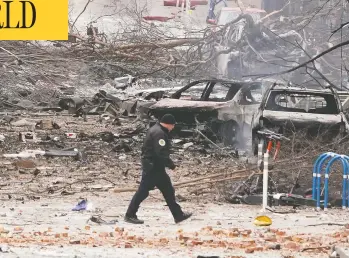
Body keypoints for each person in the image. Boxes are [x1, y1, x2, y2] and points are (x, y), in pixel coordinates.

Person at [125, 114, 192, 224]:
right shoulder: (159, 133)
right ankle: (130, 214)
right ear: (169, 124)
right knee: (142, 192)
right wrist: (171, 165)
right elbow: (161, 153)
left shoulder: (156, 129)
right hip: (153, 167)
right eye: (173, 125)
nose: (173, 128)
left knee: (168, 191)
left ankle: (178, 215)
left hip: (156, 167)